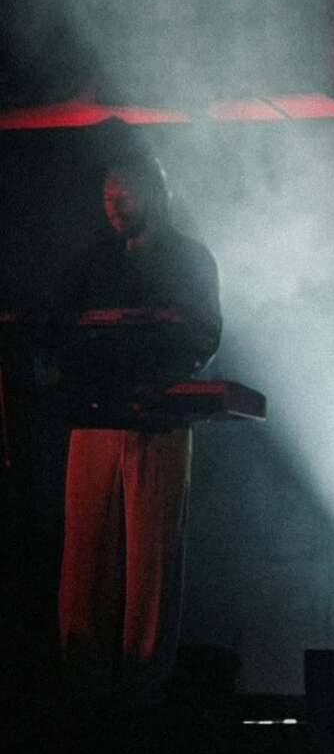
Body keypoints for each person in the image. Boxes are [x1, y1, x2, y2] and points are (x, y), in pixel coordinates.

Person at [56, 142, 221, 698]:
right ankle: (83, 678)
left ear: (155, 193)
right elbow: (60, 331)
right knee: (83, 554)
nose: (115, 205)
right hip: (95, 420)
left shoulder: (189, 258)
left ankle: (145, 683)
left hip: (160, 420)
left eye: (124, 194)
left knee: (153, 556)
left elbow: (204, 335)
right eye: (108, 197)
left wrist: (156, 362)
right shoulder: (91, 262)